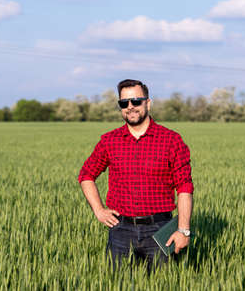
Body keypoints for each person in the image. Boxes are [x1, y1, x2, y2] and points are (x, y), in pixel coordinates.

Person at [78, 79, 194, 270]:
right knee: (117, 284)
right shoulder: (109, 141)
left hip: (160, 230)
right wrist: (99, 210)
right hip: (120, 230)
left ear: (148, 103)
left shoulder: (171, 140)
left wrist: (183, 230)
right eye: (124, 103)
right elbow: (86, 175)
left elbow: (184, 187)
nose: (130, 107)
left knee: (162, 284)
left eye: (136, 101)